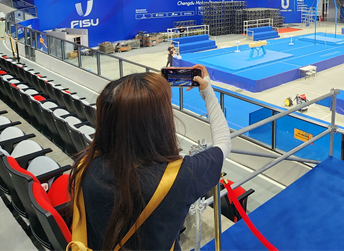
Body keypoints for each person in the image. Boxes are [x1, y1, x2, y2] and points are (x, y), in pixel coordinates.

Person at [68, 67, 230, 251]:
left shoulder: (85, 165)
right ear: (159, 122)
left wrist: (149, 86)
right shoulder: (178, 177)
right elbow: (223, 143)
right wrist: (208, 92)